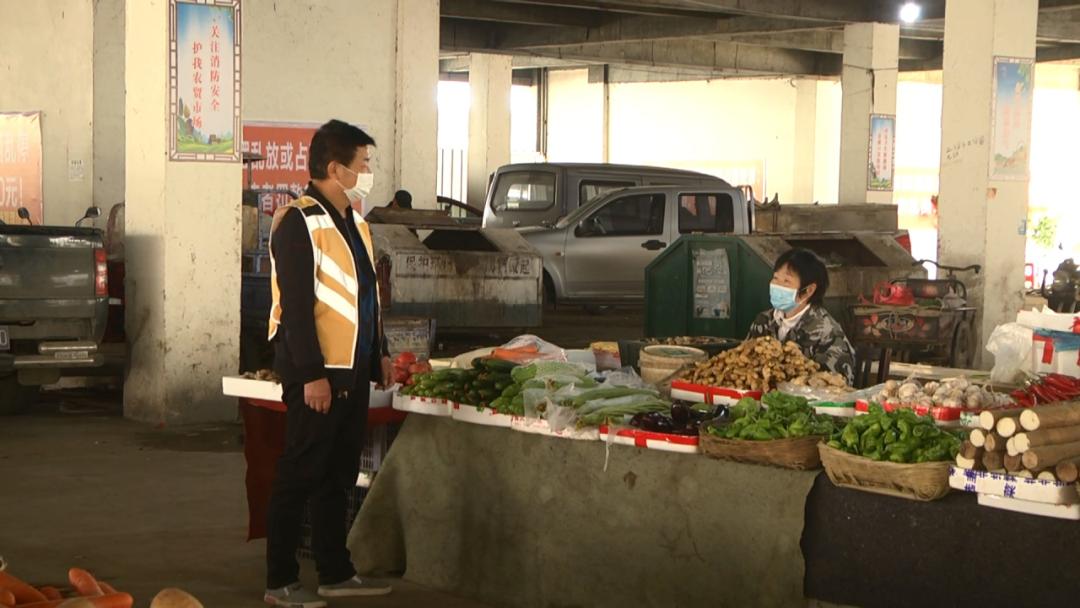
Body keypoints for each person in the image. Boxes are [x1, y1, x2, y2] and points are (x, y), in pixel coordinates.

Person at [264, 119, 394, 607]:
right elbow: (296, 309)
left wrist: (379, 350)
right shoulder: (297, 222)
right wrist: (312, 375)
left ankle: (335, 571)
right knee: (300, 473)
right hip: (318, 374)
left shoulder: (356, 223)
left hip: (355, 370)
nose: (369, 171)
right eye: (364, 163)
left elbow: (367, 296)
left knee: (339, 476)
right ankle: (279, 581)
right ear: (335, 168)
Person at [747, 248, 856, 385]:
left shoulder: (827, 333)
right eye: (775, 278)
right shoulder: (763, 321)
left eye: (786, 281)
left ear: (808, 291)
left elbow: (838, 386)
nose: (777, 286)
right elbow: (744, 362)